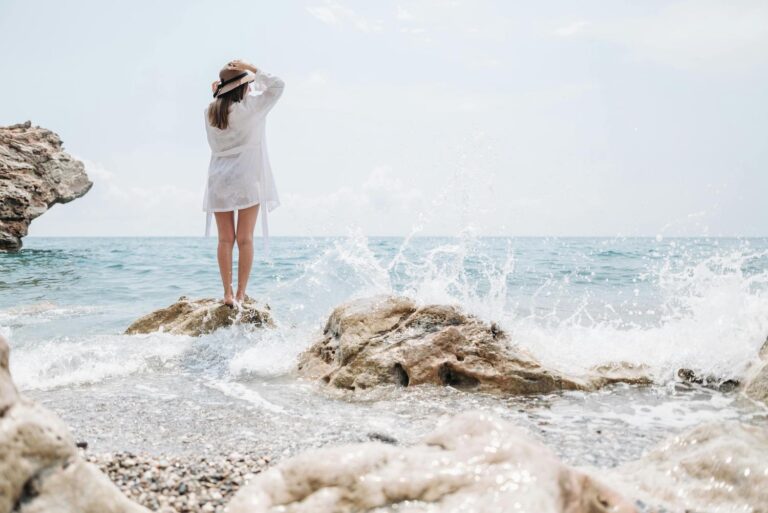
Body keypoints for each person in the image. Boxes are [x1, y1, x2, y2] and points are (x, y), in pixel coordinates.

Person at [202, 59, 284, 306]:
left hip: (219, 179)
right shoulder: (253, 108)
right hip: (247, 177)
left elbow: (222, 104)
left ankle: (226, 294)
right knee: (245, 238)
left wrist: (218, 93)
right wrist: (252, 67)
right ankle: (240, 294)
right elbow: (278, 86)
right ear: (244, 87)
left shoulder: (210, 111)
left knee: (225, 239)